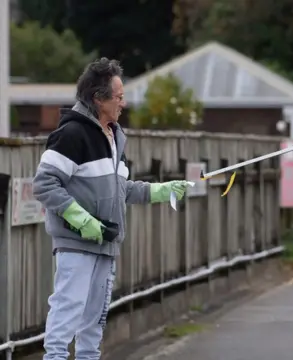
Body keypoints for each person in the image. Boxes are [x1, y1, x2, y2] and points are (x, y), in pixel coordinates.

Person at [32, 57, 191, 360]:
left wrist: (161, 191)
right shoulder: (72, 135)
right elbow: (44, 184)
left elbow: (122, 190)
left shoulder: (115, 138)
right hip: (76, 245)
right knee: (68, 310)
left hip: (106, 244)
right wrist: (83, 222)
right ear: (98, 98)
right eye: (118, 97)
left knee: (94, 323)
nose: (124, 104)